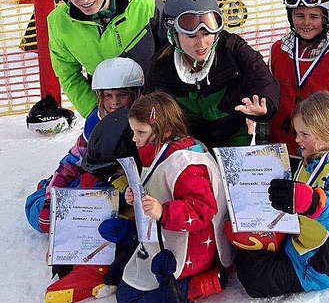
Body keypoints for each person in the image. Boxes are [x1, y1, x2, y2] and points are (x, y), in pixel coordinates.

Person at [231, 91, 329, 298]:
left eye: (305, 134)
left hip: (319, 265)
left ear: (326, 133)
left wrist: (308, 201)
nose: (297, 139)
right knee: (240, 240)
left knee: (253, 276)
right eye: (297, 132)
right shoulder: (315, 156)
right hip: (301, 243)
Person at [117, 91, 233, 302]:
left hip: (192, 247)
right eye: (134, 131)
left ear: (166, 130)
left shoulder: (186, 164)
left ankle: (195, 286)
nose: (135, 139)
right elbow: (159, 186)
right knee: (125, 279)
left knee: (129, 297)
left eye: (141, 132)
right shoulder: (161, 151)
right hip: (169, 237)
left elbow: (203, 209)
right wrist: (137, 195)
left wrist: (163, 211)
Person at [144, 0, 279, 148]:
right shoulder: (161, 66)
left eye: (207, 34)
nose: (201, 43)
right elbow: (149, 109)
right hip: (189, 145)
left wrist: (263, 106)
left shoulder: (232, 48)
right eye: (191, 36)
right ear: (174, 35)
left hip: (234, 138)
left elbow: (262, 78)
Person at [25, 57, 144, 234]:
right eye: (108, 95)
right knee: (38, 212)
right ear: (100, 96)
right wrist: (51, 199)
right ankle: (47, 188)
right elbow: (73, 161)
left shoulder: (144, 122)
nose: (114, 102)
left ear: (135, 94)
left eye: (122, 95)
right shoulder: (95, 121)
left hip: (126, 189)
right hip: (95, 181)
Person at [47, 0, 166, 118]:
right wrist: (95, 112)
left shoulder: (148, 9)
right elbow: (68, 75)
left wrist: (163, 108)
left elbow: (174, 63)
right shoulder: (59, 23)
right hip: (109, 110)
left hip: (154, 108)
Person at [44, 109, 140, 303]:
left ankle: (97, 269)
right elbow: (73, 169)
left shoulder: (150, 172)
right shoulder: (103, 129)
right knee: (85, 184)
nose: (114, 102)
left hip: (130, 225)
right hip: (106, 198)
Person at [269, 0, 329, 160]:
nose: (306, 22)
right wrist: (264, 145)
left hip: (319, 154)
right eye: (299, 15)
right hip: (281, 150)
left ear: (326, 18)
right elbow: (268, 100)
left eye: (314, 17)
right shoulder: (277, 51)